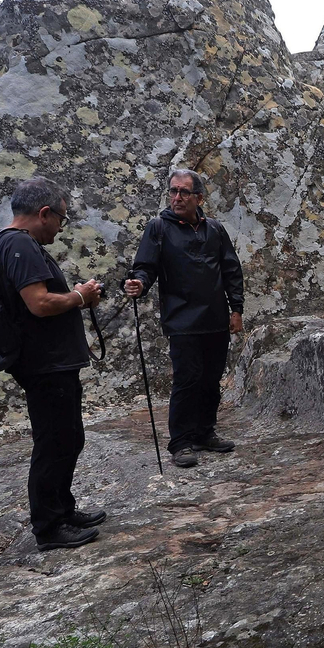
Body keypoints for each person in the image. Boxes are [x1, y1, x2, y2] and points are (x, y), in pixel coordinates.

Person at [0, 177, 107, 550]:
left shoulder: (5, 243)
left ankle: (63, 508)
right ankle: (49, 526)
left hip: (46, 362)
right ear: (44, 213)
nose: (61, 226)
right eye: (61, 218)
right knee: (55, 441)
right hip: (44, 364)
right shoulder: (20, 246)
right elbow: (39, 303)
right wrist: (80, 295)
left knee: (68, 437)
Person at [123, 169, 245, 469]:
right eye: (173, 191)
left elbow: (231, 269)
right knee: (187, 380)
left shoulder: (214, 229)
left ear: (198, 198)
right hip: (182, 320)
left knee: (211, 379)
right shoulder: (158, 228)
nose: (177, 197)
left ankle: (205, 433)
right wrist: (138, 282)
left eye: (184, 192)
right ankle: (180, 442)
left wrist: (236, 309)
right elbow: (145, 267)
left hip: (215, 318)